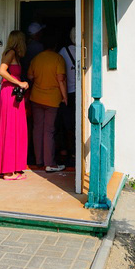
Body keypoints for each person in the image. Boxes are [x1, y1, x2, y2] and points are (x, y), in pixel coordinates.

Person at [28, 38, 67, 172]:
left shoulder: (36, 58)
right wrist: (65, 97)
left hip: (36, 98)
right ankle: (49, 163)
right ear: (55, 45)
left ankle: (38, 160)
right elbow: (61, 80)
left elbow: (30, 77)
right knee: (49, 130)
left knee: (37, 129)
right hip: (52, 99)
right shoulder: (58, 59)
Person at [0, 30, 29, 180]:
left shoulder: (11, 53)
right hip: (10, 93)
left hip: (11, 93)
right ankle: (8, 171)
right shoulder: (11, 53)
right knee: (10, 128)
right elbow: (1, 72)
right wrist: (19, 82)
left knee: (15, 129)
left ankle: (13, 168)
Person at [56, 27, 77, 166]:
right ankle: (76, 152)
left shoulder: (63, 52)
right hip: (80, 92)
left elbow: (59, 75)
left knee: (66, 124)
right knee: (78, 124)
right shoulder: (84, 50)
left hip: (66, 93)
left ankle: (67, 151)